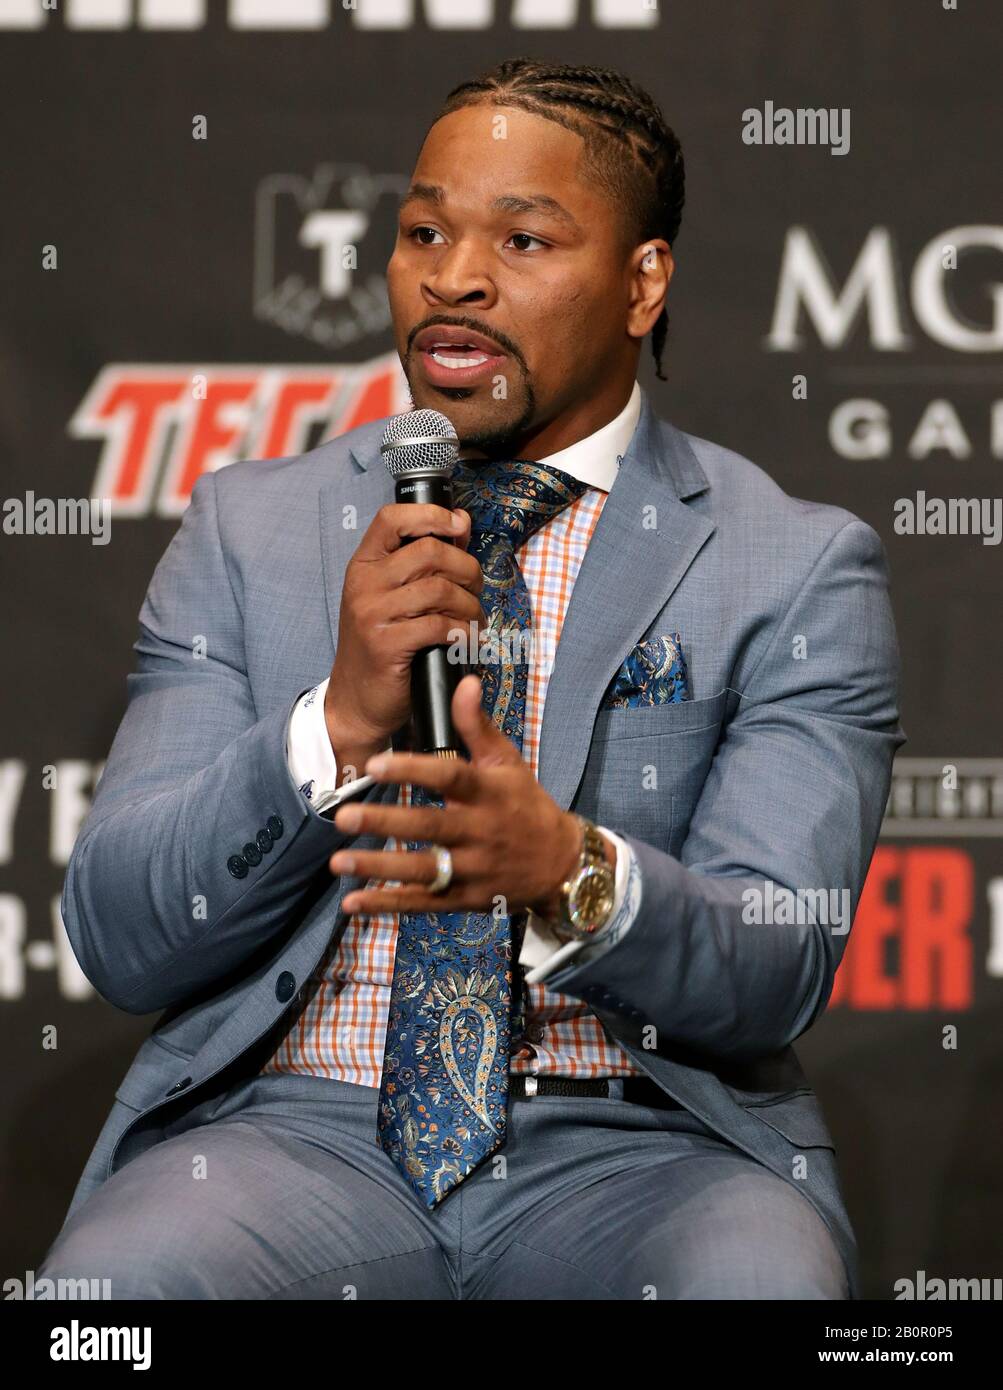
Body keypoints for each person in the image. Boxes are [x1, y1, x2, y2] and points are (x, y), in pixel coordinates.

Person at [39, 58, 904, 1300]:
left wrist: (567, 870)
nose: (454, 276)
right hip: (291, 1133)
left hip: (642, 1148)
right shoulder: (249, 529)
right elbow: (122, 935)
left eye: (524, 236)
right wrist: (331, 724)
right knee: (100, 1310)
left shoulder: (792, 566)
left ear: (641, 284)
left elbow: (774, 964)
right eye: (424, 231)